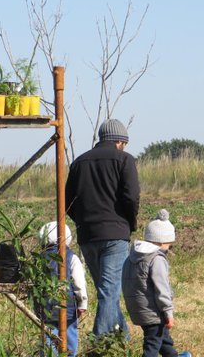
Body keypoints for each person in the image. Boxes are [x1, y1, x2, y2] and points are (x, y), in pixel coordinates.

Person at [65, 118, 140, 337]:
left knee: (107, 290)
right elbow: (131, 196)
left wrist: (82, 220)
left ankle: (122, 338)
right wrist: (129, 222)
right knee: (109, 291)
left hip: (87, 235)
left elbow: (68, 200)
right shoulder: (124, 160)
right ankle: (98, 342)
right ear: (120, 141)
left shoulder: (79, 162)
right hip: (115, 234)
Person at [122, 209, 193, 357]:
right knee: (152, 344)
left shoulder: (132, 257)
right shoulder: (157, 259)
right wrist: (168, 311)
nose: (169, 246)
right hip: (153, 310)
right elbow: (162, 288)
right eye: (169, 243)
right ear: (162, 241)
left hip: (138, 309)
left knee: (162, 337)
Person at [37, 222, 89, 356]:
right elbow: (79, 283)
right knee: (69, 336)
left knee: (48, 337)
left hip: (44, 307)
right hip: (68, 306)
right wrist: (82, 302)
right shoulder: (71, 257)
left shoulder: (38, 259)